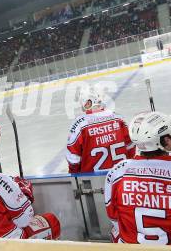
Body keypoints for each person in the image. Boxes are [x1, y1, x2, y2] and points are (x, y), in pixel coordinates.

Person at [0, 137, 61, 239]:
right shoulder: (0, 180)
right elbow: (25, 220)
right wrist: (25, 196)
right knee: (52, 221)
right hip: (6, 244)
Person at [105, 111, 171, 244]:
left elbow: (112, 215)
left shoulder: (117, 171)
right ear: (165, 140)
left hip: (131, 245)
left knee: (115, 231)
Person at [66, 89, 134, 173]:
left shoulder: (80, 124)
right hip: (121, 177)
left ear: (87, 102)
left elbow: (73, 158)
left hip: (93, 181)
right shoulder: (118, 118)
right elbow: (130, 146)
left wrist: (75, 175)